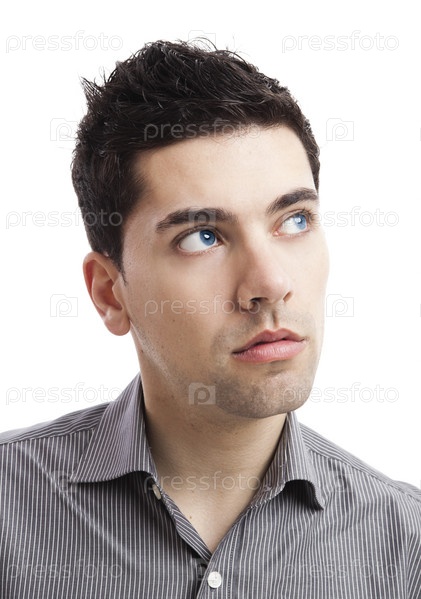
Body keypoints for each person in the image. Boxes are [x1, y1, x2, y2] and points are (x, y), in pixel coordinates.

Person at [0, 40, 420, 598]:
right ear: (110, 294)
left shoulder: (404, 543)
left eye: (294, 220)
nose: (270, 284)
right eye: (202, 237)